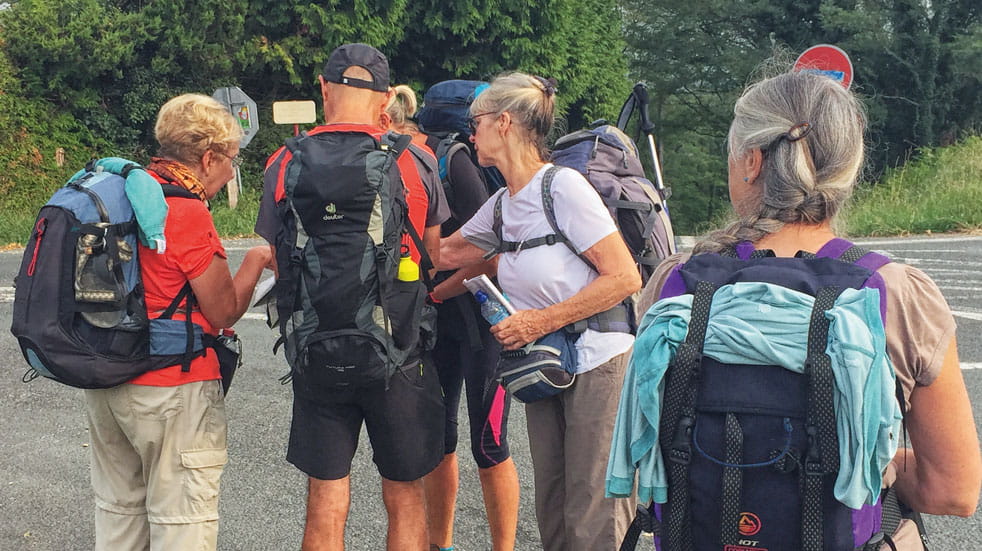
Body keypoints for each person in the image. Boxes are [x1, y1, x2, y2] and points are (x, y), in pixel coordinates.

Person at [635, 69, 982, 549]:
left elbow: (648, 437)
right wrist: (875, 459)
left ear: (751, 162)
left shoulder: (675, 282)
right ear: (845, 170)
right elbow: (953, 491)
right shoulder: (895, 292)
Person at [255, 44, 449, 551]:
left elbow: (278, 259)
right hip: (399, 352)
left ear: (323, 90)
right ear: (386, 97)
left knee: (325, 497)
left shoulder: (283, 162)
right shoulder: (415, 160)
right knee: (404, 495)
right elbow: (432, 256)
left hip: (315, 348)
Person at [438, 72, 641, 551]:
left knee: (593, 509)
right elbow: (444, 253)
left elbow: (625, 277)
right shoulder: (504, 203)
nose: (472, 132)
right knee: (552, 507)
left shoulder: (563, 187)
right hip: (547, 366)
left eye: (478, 121)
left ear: (504, 123)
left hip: (597, 362)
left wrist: (540, 320)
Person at [84, 93, 273, 551]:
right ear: (208, 157)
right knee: (182, 524)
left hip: (106, 378)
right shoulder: (184, 211)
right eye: (231, 158)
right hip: (172, 388)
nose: (232, 169)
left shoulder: (123, 194)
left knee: (119, 517)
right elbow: (223, 310)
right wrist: (255, 260)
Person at [382, 84, 521, 551]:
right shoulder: (427, 157)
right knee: (441, 442)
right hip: (445, 321)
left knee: (487, 444)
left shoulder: (456, 159)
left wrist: (436, 289)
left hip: (481, 323)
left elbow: (494, 251)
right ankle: (440, 544)